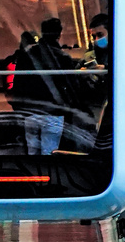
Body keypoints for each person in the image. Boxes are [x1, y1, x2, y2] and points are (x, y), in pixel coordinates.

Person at [9, 18, 77, 155]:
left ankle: (34, 174)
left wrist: (20, 108)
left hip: (30, 112)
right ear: (59, 34)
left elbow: (18, 85)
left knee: (32, 151)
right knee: (49, 152)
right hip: (52, 112)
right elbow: (72, 86)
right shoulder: (63, 57)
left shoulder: (26, 55)